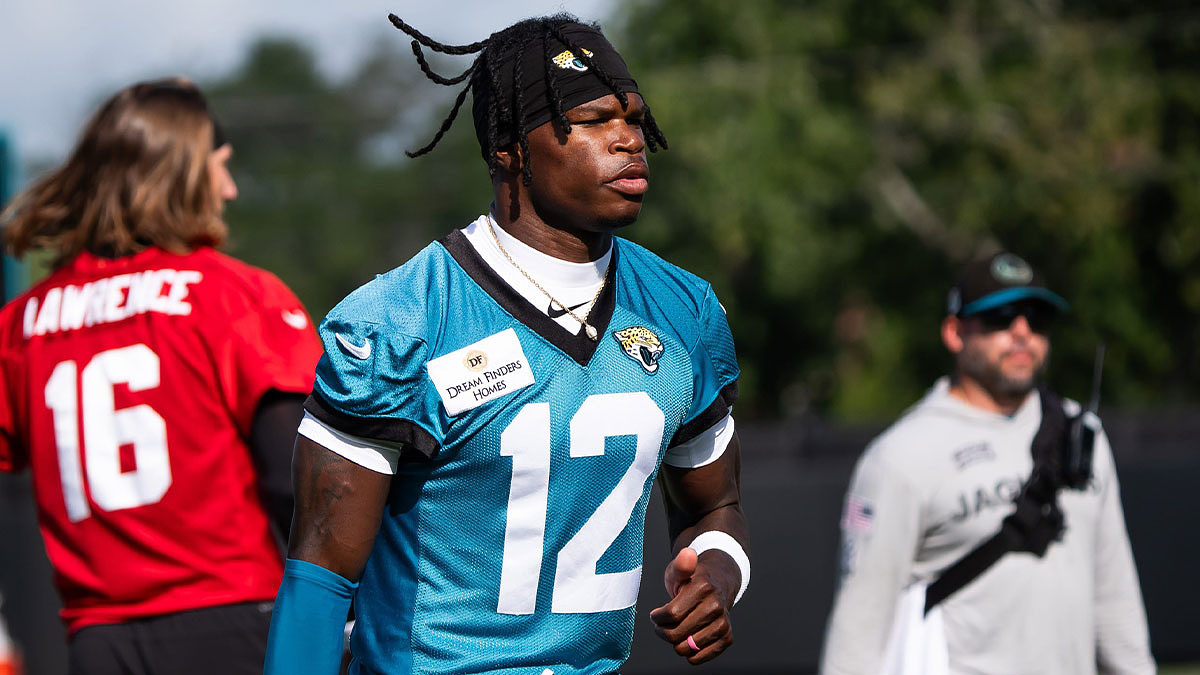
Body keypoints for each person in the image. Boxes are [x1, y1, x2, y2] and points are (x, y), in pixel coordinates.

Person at [264, 13, 750, 675]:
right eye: (592, 118)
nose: (628, 139)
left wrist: (718, 577)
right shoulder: (402, 322)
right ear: (506, 146)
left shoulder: (681, 309)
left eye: (633, 118)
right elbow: (320, 575)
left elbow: (713, 505)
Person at [0, 78, 322, 675]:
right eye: (219, 168)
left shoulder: (19, 326)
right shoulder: (232, 294)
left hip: (97, 646)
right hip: (235, 626)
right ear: (180, 174)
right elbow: (297, 479)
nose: (227, 190)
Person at [819, 251, 1156, 674]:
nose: (1021, 331)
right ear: (954, 332)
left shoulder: (1080, 435)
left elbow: (1115, 599)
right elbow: (858, 632)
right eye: (1000, 317)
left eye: (1036, 318)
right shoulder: (899, 457)